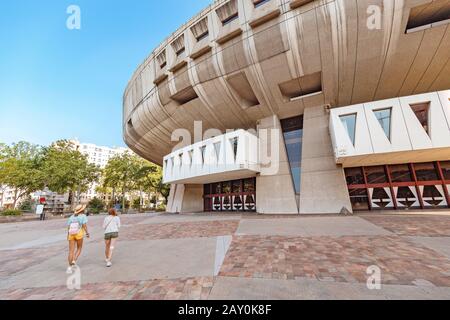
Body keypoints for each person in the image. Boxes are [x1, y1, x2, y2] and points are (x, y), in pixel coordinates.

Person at [66, 204, 89, 273]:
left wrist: (68, 235)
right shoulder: (83, 216)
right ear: (82, 210)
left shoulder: (71, 217)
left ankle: (69, 268)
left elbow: (68, 227)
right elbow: (84, 226)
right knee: (79, 248)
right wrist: (87, 233)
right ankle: (74, 260)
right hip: (79, 234)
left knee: (71, 251)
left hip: (71, 234)